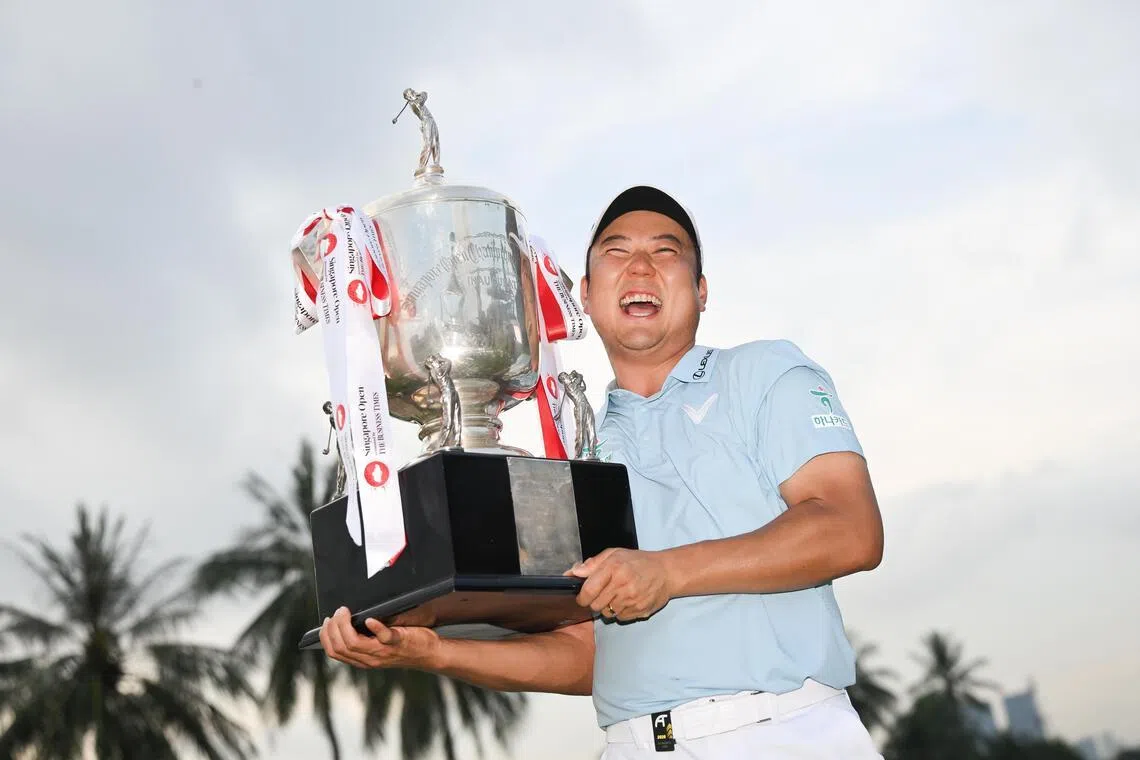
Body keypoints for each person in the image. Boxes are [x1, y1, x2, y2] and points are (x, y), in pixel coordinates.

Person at [318, 185, 886, 758]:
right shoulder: (575, 450)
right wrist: (430, 652)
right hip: (633, 744)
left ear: (701, 290)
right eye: (615, 252)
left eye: (666, 252)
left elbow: (850, 529)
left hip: (781, 732)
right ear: (585, 296)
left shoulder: (763, 372)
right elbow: (591, 656)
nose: (640, 266)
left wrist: (666, 573)